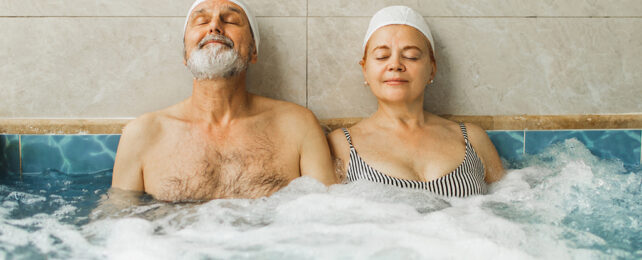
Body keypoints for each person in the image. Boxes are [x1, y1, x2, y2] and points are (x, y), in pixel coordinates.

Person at [111, 0, 337, 202]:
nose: (214, 27)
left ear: (253, 51)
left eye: (230, 20)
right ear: (185, 54)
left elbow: (328, 220)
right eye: (201, 21)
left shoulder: (298, 126)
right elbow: (118, 228)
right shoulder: (142, 134)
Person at [327, 6, 504, 197]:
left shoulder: (472, 139)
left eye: (411, 56)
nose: (395, 65)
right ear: (365, 70)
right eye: (382, 56)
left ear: (432, 69)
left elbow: (511, 204)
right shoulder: (343, 145)